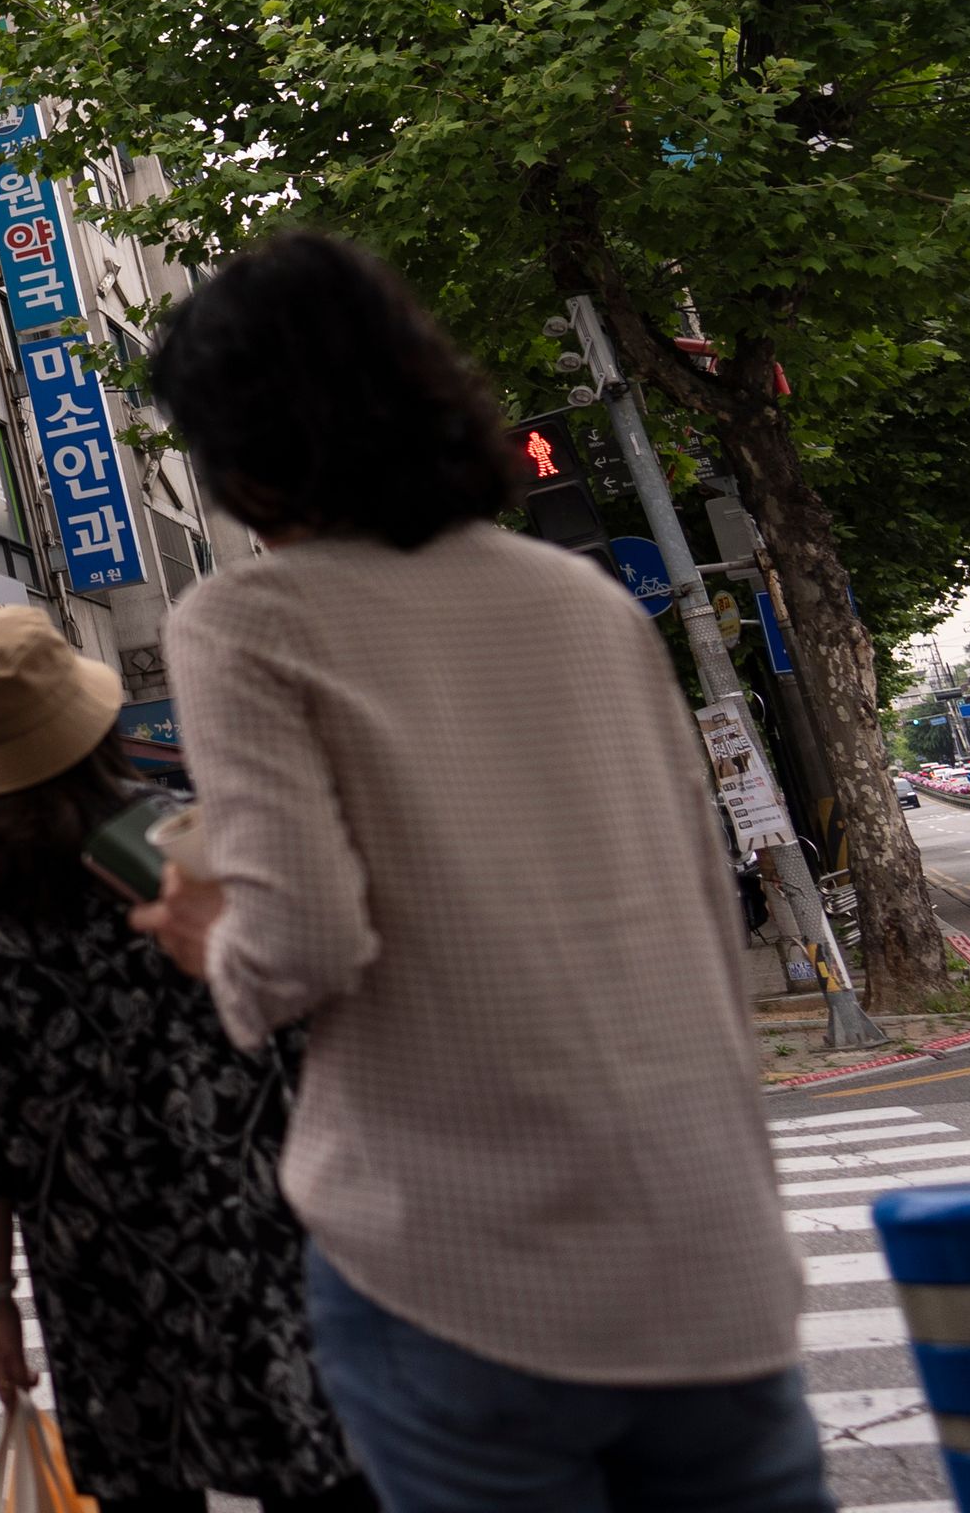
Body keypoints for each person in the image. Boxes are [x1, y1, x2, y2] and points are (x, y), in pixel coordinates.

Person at [126, 231, 827, 1513]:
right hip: (707, 1246)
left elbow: (305, 942)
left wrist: (207, 939)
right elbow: (695, 889)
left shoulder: (245, 620)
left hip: (461, 1264)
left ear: (232, 445)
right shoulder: (588, 606)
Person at [0, 605, 373, 1513]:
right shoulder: (185, 844)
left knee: (141, 1491)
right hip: (254, 1223)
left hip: (92, 1267)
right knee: (316, 1467)